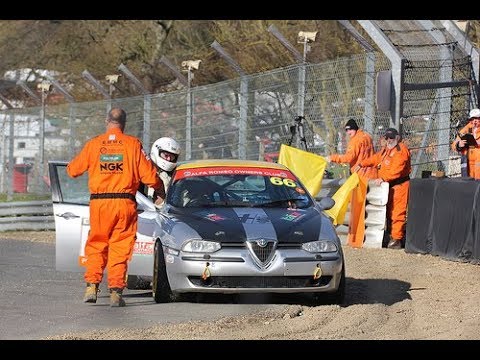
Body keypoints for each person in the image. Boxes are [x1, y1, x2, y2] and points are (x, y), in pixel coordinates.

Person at [66, 108, 165, 307]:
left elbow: (72, 170)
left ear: (106, 121)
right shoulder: (133, 144)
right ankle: (116, 292)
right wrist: (160, 190)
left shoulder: (93, 144)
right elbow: (149, 176)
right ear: (124, 123)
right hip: (124, 203)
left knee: (96, 244)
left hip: (99, 203)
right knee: (120, 247)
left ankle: (91, 286)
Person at [355, 127, 411, 250]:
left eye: (391, 137)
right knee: (388, 213)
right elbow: (375, 159)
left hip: (399, 186)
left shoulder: (401, 151)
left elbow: (397, 170)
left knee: (397, 213)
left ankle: (396, 239)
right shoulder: (386, 151)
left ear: (397, 138)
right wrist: (362, 164)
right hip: (388, 187)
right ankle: (391, 234)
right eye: (387, 138)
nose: (389, 140)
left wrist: (383, 178)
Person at [451, 108, 480, 178]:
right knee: (468, 185)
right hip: (468, 165)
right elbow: (454, 145)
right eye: (472, 119)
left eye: (477, 118)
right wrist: (459, 145)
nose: (474, 121)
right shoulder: (466, 129)